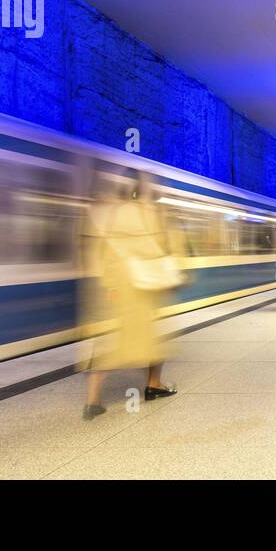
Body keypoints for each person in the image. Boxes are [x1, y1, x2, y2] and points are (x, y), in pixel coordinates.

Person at [80, 170, 180, 421]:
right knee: (152, 339)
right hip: (142, 286)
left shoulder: (107, 214)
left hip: (115, 288)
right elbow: (160, 249)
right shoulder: (146, 214)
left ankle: (92, 400)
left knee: (109, 344)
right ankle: (154, 384)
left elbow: (101, 254)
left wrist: (110, 284)